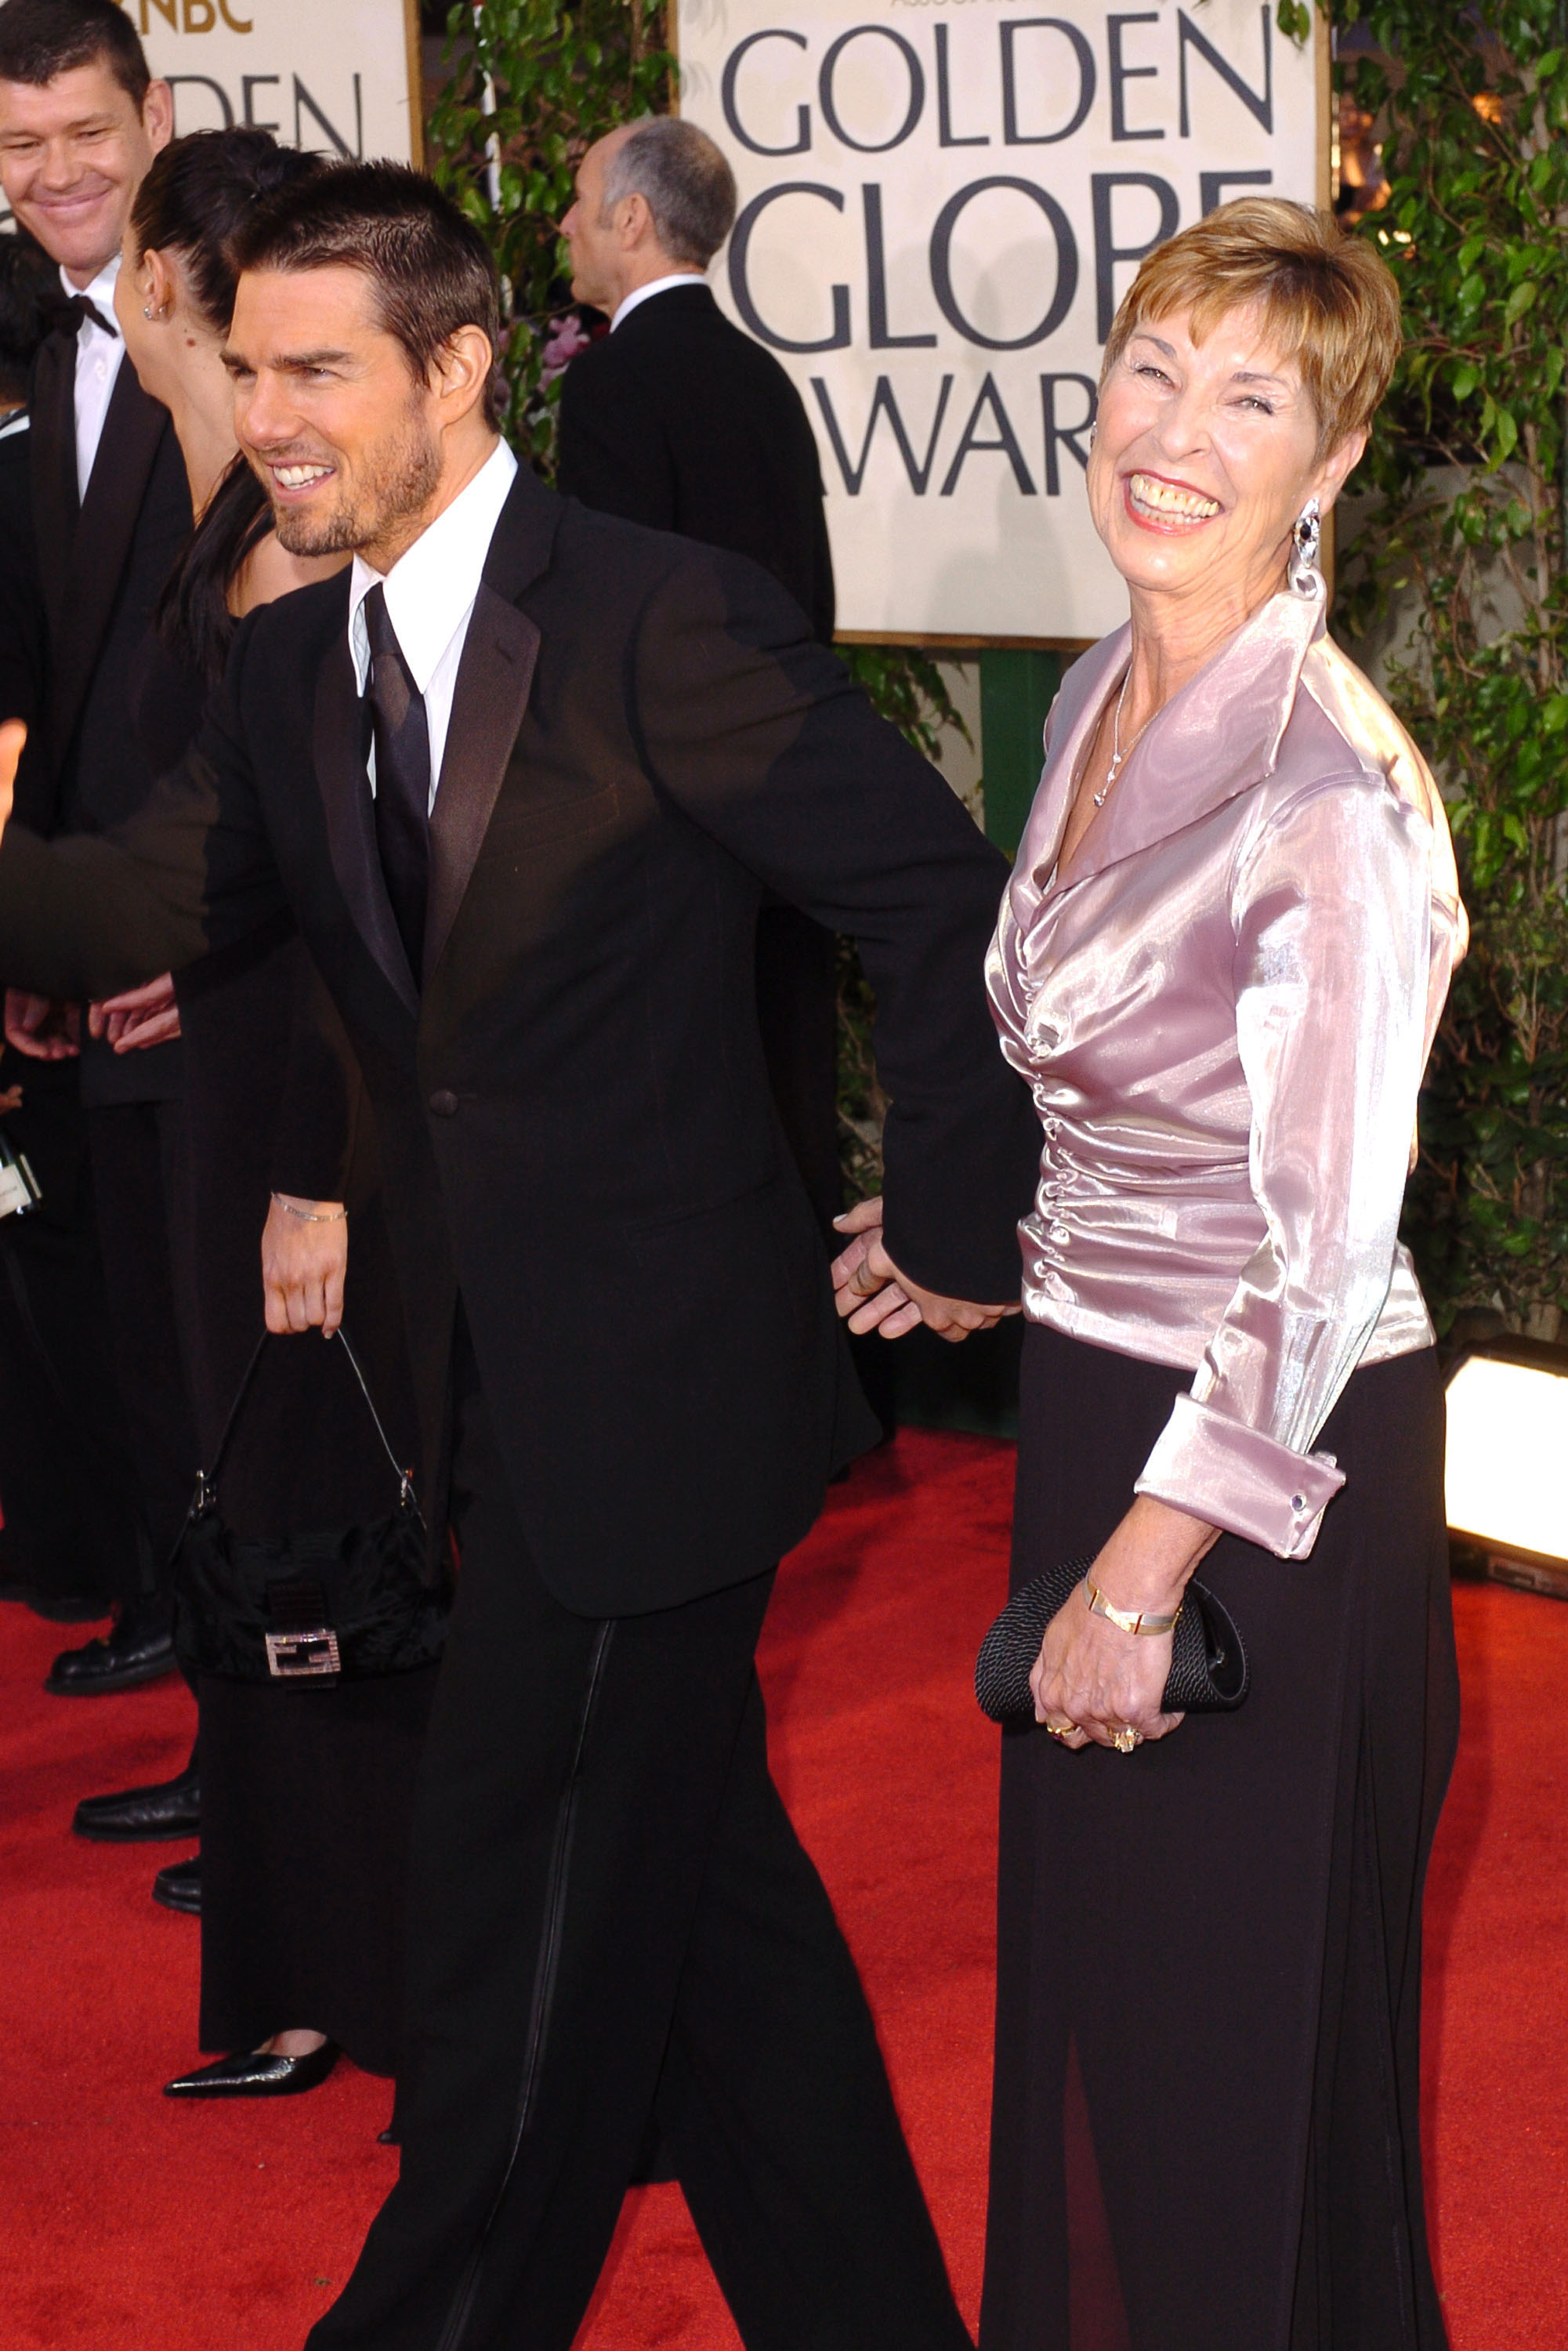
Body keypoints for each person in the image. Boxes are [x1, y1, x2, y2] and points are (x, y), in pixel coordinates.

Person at [0, 161, 1039, 2349]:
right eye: (246, 367)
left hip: (661, 1404)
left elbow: (931, 894)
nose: (267, 415)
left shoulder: (656, 613)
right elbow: (126, 917)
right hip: (479, 1408)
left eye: (316, 373)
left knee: (521, 1930)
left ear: (458, 370)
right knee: (710, 1921)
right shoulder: (292, 669)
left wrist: (959, 1224)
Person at [836, 200, 1467, 2350]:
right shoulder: (1113, 681)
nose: (1175, 435)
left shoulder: (1330, 800)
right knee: (1112, 2036)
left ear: (1333, 466)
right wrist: (1003, 1266)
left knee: (1228, 2067)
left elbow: (1316, 1252)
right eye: (1151, 374)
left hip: (1259, 1475)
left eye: (1251, 399)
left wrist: (1135, 1577)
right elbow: (1145, 1095)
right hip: (1113, 1407)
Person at [99, 123, 431, 2100]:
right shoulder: (232, 512)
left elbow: (356, 896)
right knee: (269, 1518)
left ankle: (358, 1982)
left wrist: (319, 1171)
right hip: (232, 1074)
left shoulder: (301, 539)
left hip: (310, 1110)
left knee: (318, 1533)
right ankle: (315, 1962)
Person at [0, 0, 196, 1708]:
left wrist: (177, 925)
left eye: (85, 128)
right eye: (20, 143)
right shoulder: (14, 337)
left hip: (205, 932)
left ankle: (271, 1706)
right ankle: (169, 1599)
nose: (59, 171)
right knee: (127, 1311)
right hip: (70, 918)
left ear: (154, 116)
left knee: (222, 1328)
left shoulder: (231, 323)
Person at [559, 115, 847, 1269]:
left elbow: (608, 634)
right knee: (792, 1102)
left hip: (674, 829)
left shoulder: (619, 383)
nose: (566, 225)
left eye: (580, 200)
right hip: (785, 805)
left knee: (699, 1124)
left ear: (631, 219)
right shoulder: (760, 375)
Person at [0, 226, 147, 1625]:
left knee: (62, 1249)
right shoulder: (42, 439)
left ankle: (111, 1561)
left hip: (98, 930)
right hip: (63, 926)